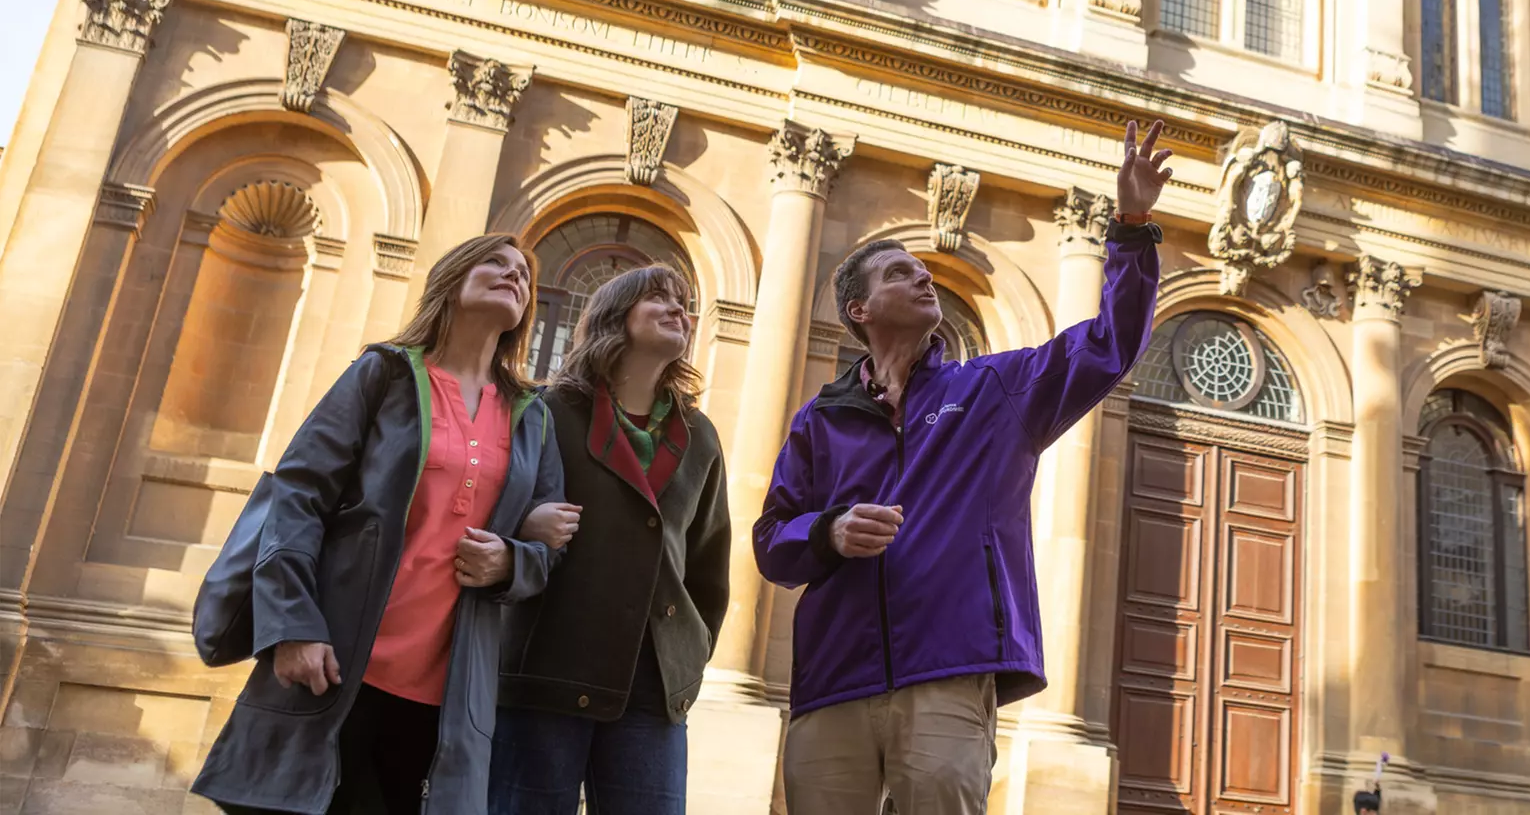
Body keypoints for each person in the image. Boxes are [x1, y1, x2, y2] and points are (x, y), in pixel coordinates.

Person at [755, 118, 1172, 815]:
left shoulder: (994, 391)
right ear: (859, 309)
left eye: (924, 273)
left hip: (948, 670)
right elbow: (773, 543)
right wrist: (827, 533)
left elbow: (1111, 343)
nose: (922, 278)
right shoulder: (818, 420)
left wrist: (1130, 226)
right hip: (832, 676)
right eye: (899, 274)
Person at [193, 233, 566, 815]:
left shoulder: (532, 417)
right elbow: (298, 495)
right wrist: (291, 624)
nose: (513, 275)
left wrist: (511, 562)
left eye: (524, 274)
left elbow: (548, 553)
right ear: (452, 278)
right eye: (494, 262)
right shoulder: (384, 374)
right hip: (334, 664)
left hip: (443, 698)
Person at [489, 262, 730, 815]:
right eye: (659, 299)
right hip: (547, 671)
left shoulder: (700, 436)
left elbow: (708, 565)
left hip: (653, 688)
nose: (679, 310)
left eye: (683, 303)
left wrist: (687, 655)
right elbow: (488, 512)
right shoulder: (547, 411)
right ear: (614, 318)